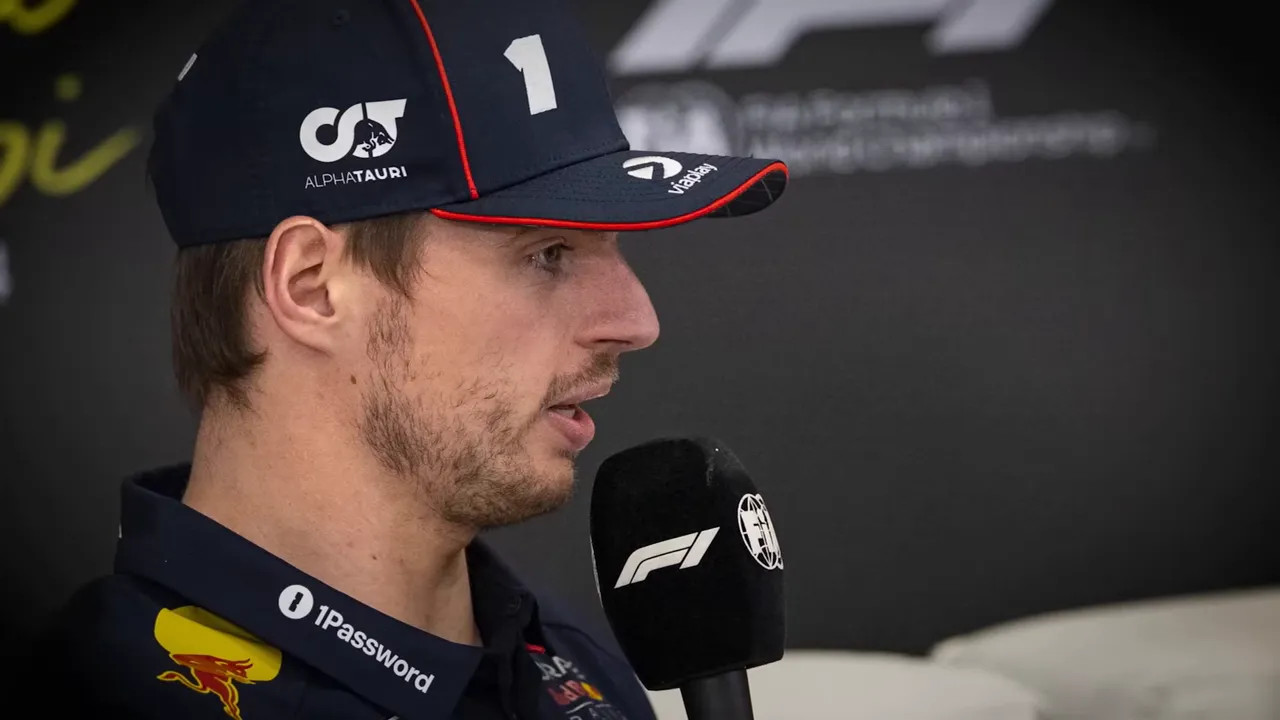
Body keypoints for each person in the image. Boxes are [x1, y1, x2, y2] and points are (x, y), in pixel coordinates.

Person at [28, 0, 788, 717]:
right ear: (312, 286)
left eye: (609, 249)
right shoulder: (104, 693)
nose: (635, 320)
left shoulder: (574, 671)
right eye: (549, 253)